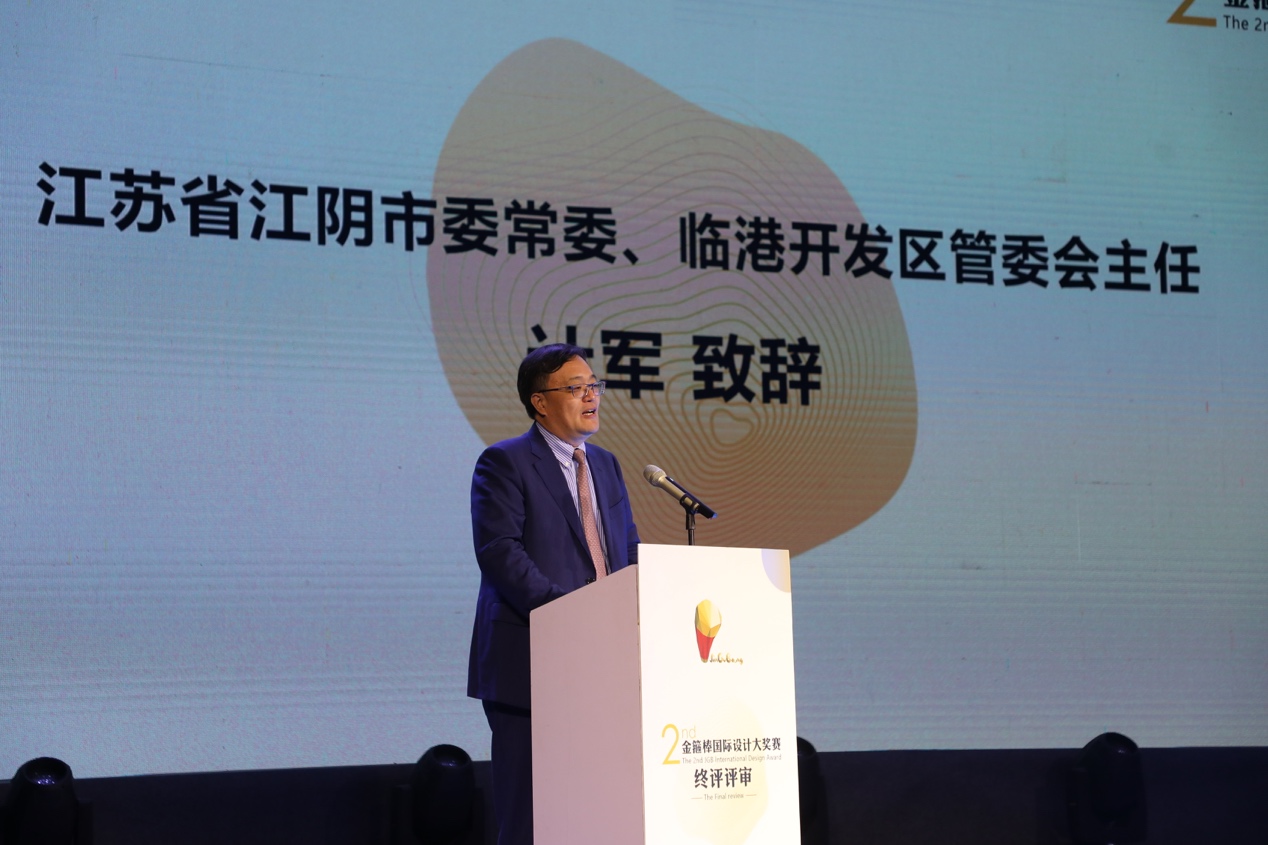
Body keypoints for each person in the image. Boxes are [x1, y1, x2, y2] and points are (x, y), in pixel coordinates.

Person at [467, 343, 640, 845]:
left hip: (602, 667)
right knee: (532, 818)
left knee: (598, 812)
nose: (591, 396)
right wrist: (569, 614)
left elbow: (625, 548)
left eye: (594, 386)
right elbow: (500, 551)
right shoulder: (504, 462)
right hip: (530, 664)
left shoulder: (606, 465)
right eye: (575, 388)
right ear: (540, 402)